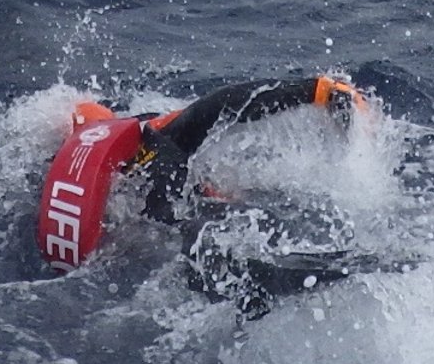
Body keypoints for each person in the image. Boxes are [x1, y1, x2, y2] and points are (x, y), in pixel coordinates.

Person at [36, 76, 375, 317]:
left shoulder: (119, 130)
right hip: (156, 170)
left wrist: (313, 91)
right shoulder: (124, 132)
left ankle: (245, 276)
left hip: (152, 169)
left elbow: (211, 110)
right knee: (188, 207)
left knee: (184, 210)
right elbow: (211, 109)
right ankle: (251, 274)